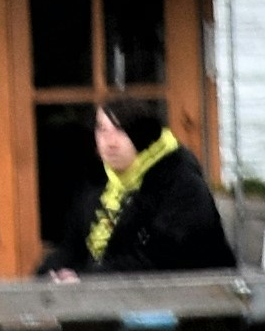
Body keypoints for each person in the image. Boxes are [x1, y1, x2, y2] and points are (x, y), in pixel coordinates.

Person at [83, 102, 236, 274]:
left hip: (197, 291)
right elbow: (74, 247)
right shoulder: (105, 179)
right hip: (120, 289)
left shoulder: (180, 181)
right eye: (102, 130)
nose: (110, 143)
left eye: (121, 130)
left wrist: (88, 278)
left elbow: (160, 259)